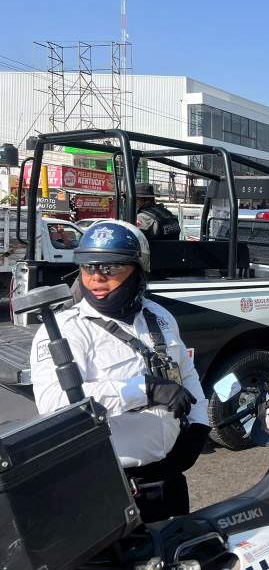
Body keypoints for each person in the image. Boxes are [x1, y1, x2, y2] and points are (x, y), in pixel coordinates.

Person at [30, 220, 210, 522]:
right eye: (89, 268)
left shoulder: (159, 317)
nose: (97, 278)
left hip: (168, 477)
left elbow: (186, 372)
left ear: (138, 270)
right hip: (109, 485)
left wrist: (200, 424)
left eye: (110, 269)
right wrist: (144, 389)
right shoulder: (65, 331)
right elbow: (54, 404)